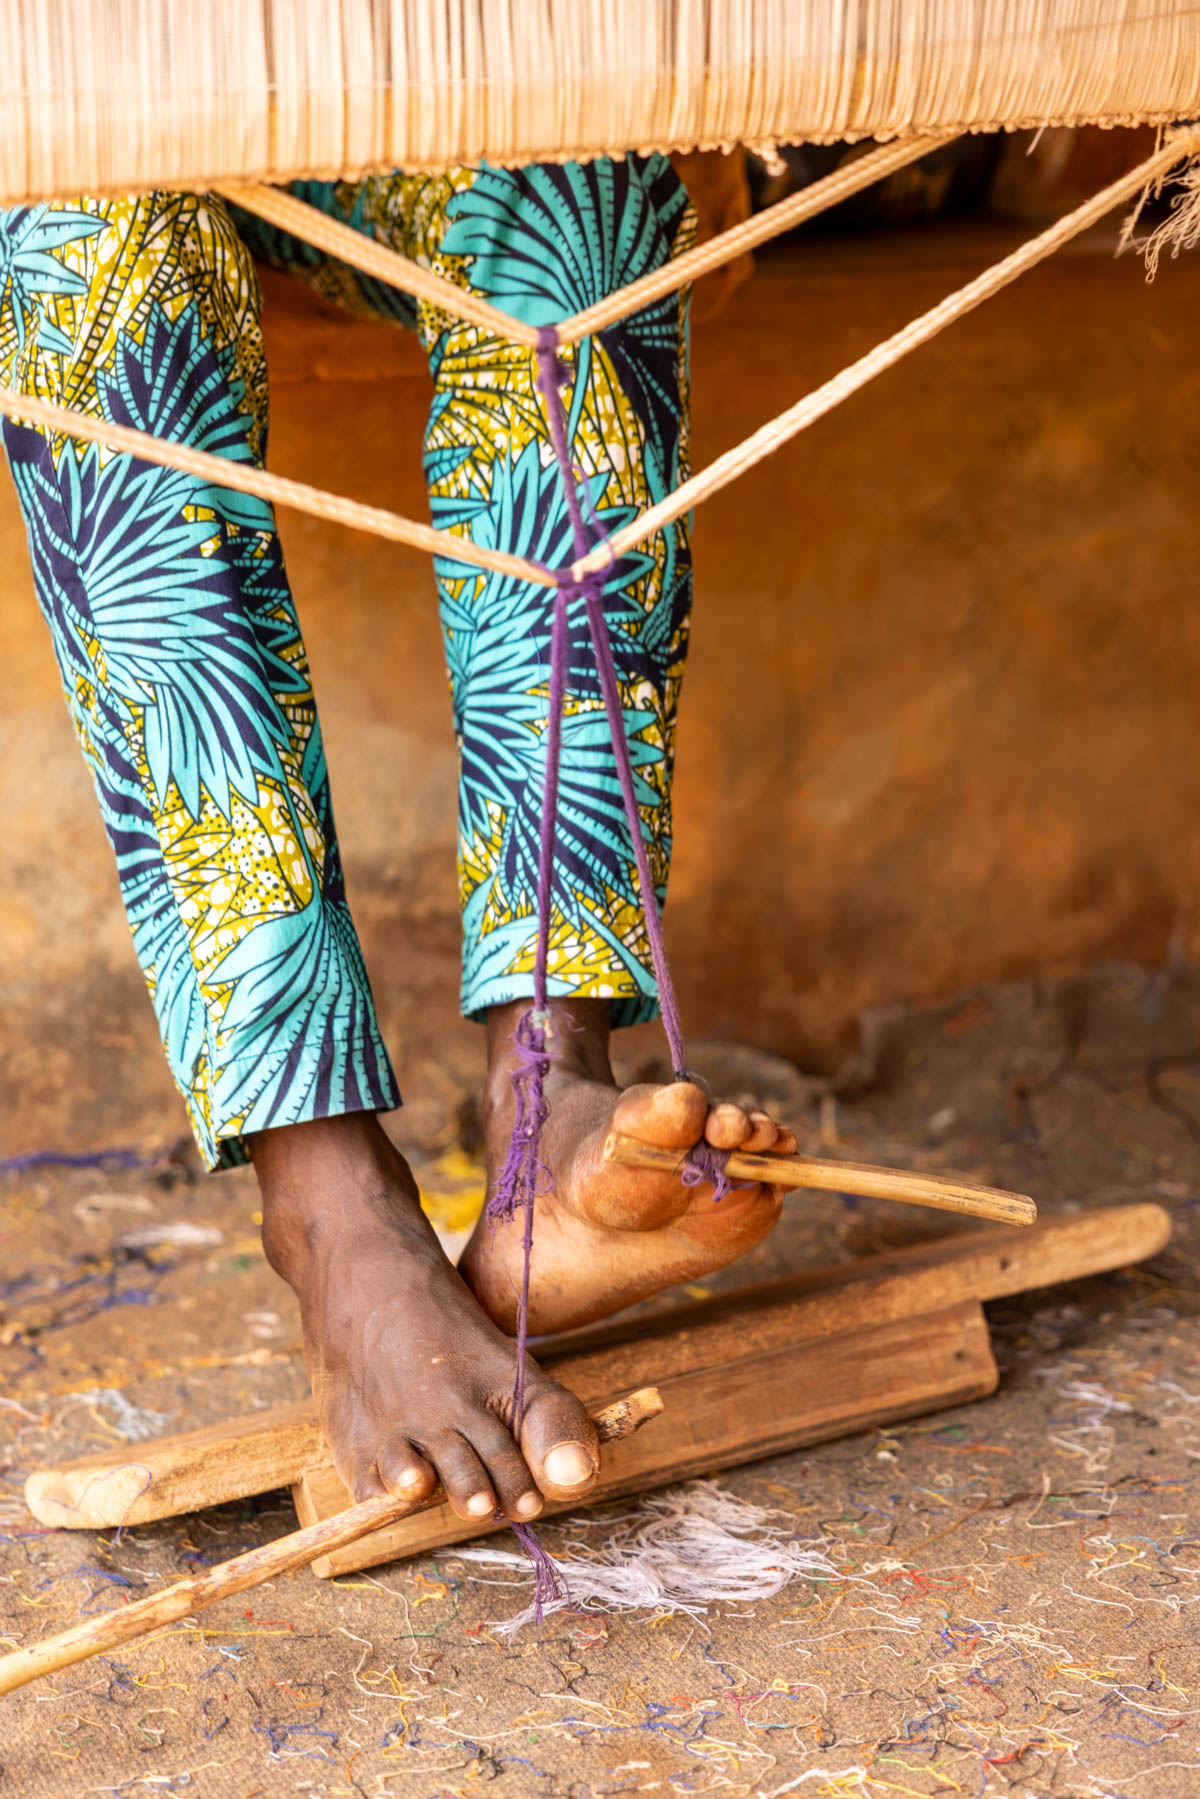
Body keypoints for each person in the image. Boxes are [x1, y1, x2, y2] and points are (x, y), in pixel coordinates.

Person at [0, 158, 793, 1527]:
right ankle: (327, 1208)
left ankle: (552, 1101)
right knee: (82, 224)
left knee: (571, 186)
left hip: (359, 103)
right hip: (67, 107)